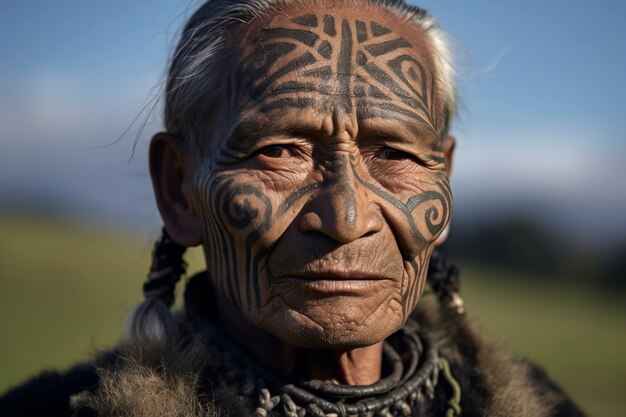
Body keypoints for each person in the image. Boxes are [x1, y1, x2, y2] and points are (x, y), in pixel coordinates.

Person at [0, 0, 587, 416]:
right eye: (280, 151)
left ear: (444, 180)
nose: (347, 218)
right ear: (180, 190)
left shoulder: (539, 407)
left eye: (394, 153)